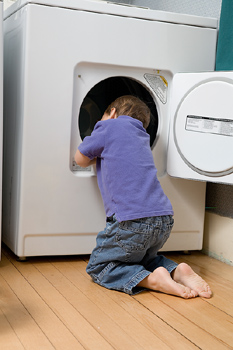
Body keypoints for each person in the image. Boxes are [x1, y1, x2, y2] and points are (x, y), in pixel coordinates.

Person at [75, 95, 212, 299]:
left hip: (130, 222)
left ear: (112, 113)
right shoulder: (142, 137)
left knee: (99, 267)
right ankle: (177, 271)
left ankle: (152, 280)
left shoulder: (107, 127)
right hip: (163, 220)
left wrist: (96, 148)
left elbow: (80, 159)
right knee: (142, 259)